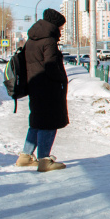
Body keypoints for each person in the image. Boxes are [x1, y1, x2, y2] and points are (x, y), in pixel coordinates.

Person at [15, 9, 70, 172]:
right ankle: (44, 160)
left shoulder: (31, 40)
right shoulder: (49, 42)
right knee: (49, 122)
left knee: (37, 121)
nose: (60, 30)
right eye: (60, 27)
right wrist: (61, 79)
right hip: (48, 87)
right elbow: (51, 66)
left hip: (35, 85)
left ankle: (25, 156)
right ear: (54, 25)